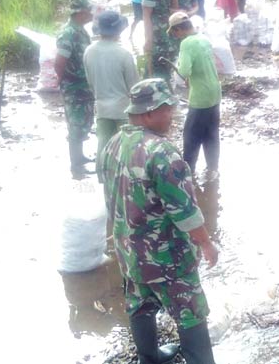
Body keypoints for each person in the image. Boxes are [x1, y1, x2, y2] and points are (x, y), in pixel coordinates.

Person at [100, 78, 218, 364]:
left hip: (129, 250)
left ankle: (148, 358)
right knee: (190, 311)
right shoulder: (162, 153)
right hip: (166, 256)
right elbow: (185, 213)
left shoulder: (114, 143)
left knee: (140, 302)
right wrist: (206, 244)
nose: (171, 114)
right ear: (149, 112)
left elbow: (112, 193)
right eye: (167, 109)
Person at [84, 10, 140, 181]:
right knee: (126, 147)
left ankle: (103, 180)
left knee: (103, 145)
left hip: (101, 106)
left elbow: (90, 81)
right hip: (123, 108)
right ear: (118, 31)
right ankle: (126, 182)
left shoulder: (89, 51)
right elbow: (134, 87)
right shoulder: (124, 54)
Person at [169, 13, 222, 179]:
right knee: (211, 133)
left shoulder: (186, 43)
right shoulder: (203, 38)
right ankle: (213, 169)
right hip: (214, 93)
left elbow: (183, 71)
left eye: (174, 32)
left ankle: (187, 174)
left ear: (179, 29)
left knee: (191, 137)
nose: (175, 36)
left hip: (200, 97)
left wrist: (177, 72)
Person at [54, 0, 95, 176]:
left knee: (84, 122)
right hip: (74, 87)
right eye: (89, 10)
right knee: (76, 124)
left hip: (83, 86)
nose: (92, 13)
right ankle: (76, 164)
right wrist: (64, 83)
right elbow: (59, 62)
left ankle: (80, 156)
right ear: (82, 12)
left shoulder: (81, 30)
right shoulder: (68, 33)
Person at [142, 0, 178, 83]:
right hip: (157, 36)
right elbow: (146, 16)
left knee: (166, 67)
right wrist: (148, 39)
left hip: (166, 33)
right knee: (154, 69)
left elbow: (174, 9)